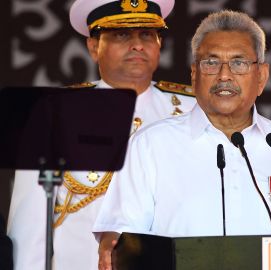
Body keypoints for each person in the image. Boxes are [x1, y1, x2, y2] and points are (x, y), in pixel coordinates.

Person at [93, 10, 271, 269]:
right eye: (211, 63)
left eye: (239, 62)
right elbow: (121, 240)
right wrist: (113, 245)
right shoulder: (151, 145)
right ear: (194, 74)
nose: (224, 75)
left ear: (262, 77)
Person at [7, 0, 196, 269]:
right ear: (94, 47)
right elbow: (30, 227)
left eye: (147, 34)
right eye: (121, 35)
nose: (137, 45)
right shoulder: (54, 112)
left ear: (159, 44)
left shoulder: (193, 110)